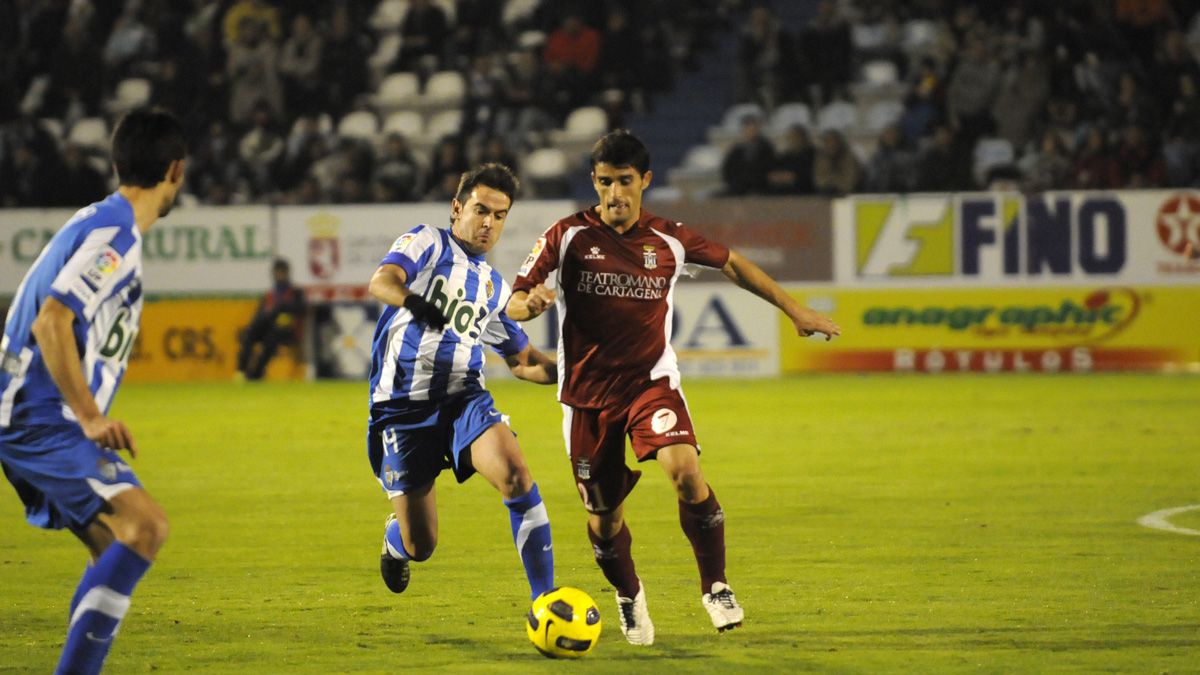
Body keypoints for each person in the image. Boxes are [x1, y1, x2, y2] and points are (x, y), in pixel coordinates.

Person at [506, 130, 840, 645]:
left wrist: (795, 310)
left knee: (685, 471)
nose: (613, 194)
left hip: (650, 384)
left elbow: (732, 263)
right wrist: (529, 305)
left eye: (623, 182)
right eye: (603, 183)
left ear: (645, 181)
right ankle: (628, 593)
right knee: (603, 521)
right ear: (593, 183)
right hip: (586, 399)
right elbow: (518, 295)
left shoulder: (668, 238)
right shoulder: (567, 235)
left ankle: (716, 585)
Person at [0, 107, 186, 674]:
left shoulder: (100, 220)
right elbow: (52, 320)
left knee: (114, 549)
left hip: (29, 415)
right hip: (38, 418)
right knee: (146, 527)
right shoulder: (116, 234)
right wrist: (86, 416)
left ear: (117, 161)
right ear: (175, 170)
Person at [369, 163, 559, 602]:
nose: (488, 222)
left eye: (499, 215)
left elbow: (524, 361)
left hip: (463, 398)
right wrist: (416, 302)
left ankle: (545, 602)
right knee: (422, 546)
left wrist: (582, 371)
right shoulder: (428, 242)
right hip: (403, 407)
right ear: (457, 209)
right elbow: (383, 281)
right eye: (480, 210)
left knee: (516, 474)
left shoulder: (494, 286)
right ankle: (397, 540)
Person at [236, 258, 306, 381]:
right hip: (265, 326)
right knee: (249, 335)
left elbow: (300, 309)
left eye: (282, 272)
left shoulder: (295, 292)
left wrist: (280, 308)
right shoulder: (270, 294)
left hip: (284, 329)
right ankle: (241, 372)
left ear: (287, 273)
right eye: (277, 272)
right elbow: (259, 313)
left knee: (271, 339)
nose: (279, 275)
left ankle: (256, 374)